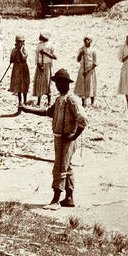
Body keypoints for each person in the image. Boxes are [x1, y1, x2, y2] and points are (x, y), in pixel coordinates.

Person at [21, 67, 86, 208]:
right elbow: (46, 112)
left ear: (66, 84)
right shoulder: (59, 100)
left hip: (66, 138)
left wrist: (74, 136)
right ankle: (69, 198)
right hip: (61, 138)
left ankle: (55, 200)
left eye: (59, 82)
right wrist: (27, 110)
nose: (57, 85)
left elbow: (83, 120)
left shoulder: (72, 100)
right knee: (67, 167)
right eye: (56, 82)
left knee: (60, 168)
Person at [33, 33, 56, 106]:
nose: (39, 37)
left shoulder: (51, 45)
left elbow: (55, 57)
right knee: (39, 83)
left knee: (47, 83)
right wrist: (38, 65)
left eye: (41, 36)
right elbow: (36, 56)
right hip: (40, 66)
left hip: (47, 66)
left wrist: (45, 53)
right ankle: (39, 102)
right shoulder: (39, 45)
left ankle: (49, 102)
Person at [74, 36, 97, 107]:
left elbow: (95, 63)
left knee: (91, 85)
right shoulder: (81, 49)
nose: (86, 41)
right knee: (82, 86)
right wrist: (81, 54)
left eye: (88, 40)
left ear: (90, 41)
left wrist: (88, 71)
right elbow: (78, 60)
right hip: (82, 69)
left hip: (90, 69)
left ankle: (92, 102)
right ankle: (83, 102)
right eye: (85, 40)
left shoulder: (93, 50)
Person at [9, 35, 30, 106]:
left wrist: (20, 51)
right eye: (19, 42)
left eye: (22, 42)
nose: (20, 43)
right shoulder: (14, 50)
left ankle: (25, 101)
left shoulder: (25, 50)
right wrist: (14, 58)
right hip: (17, 68)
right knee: (18, 85)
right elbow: (11, 60)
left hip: (24, 68)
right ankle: (20, 101)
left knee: (24, 84)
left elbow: (24, 58)